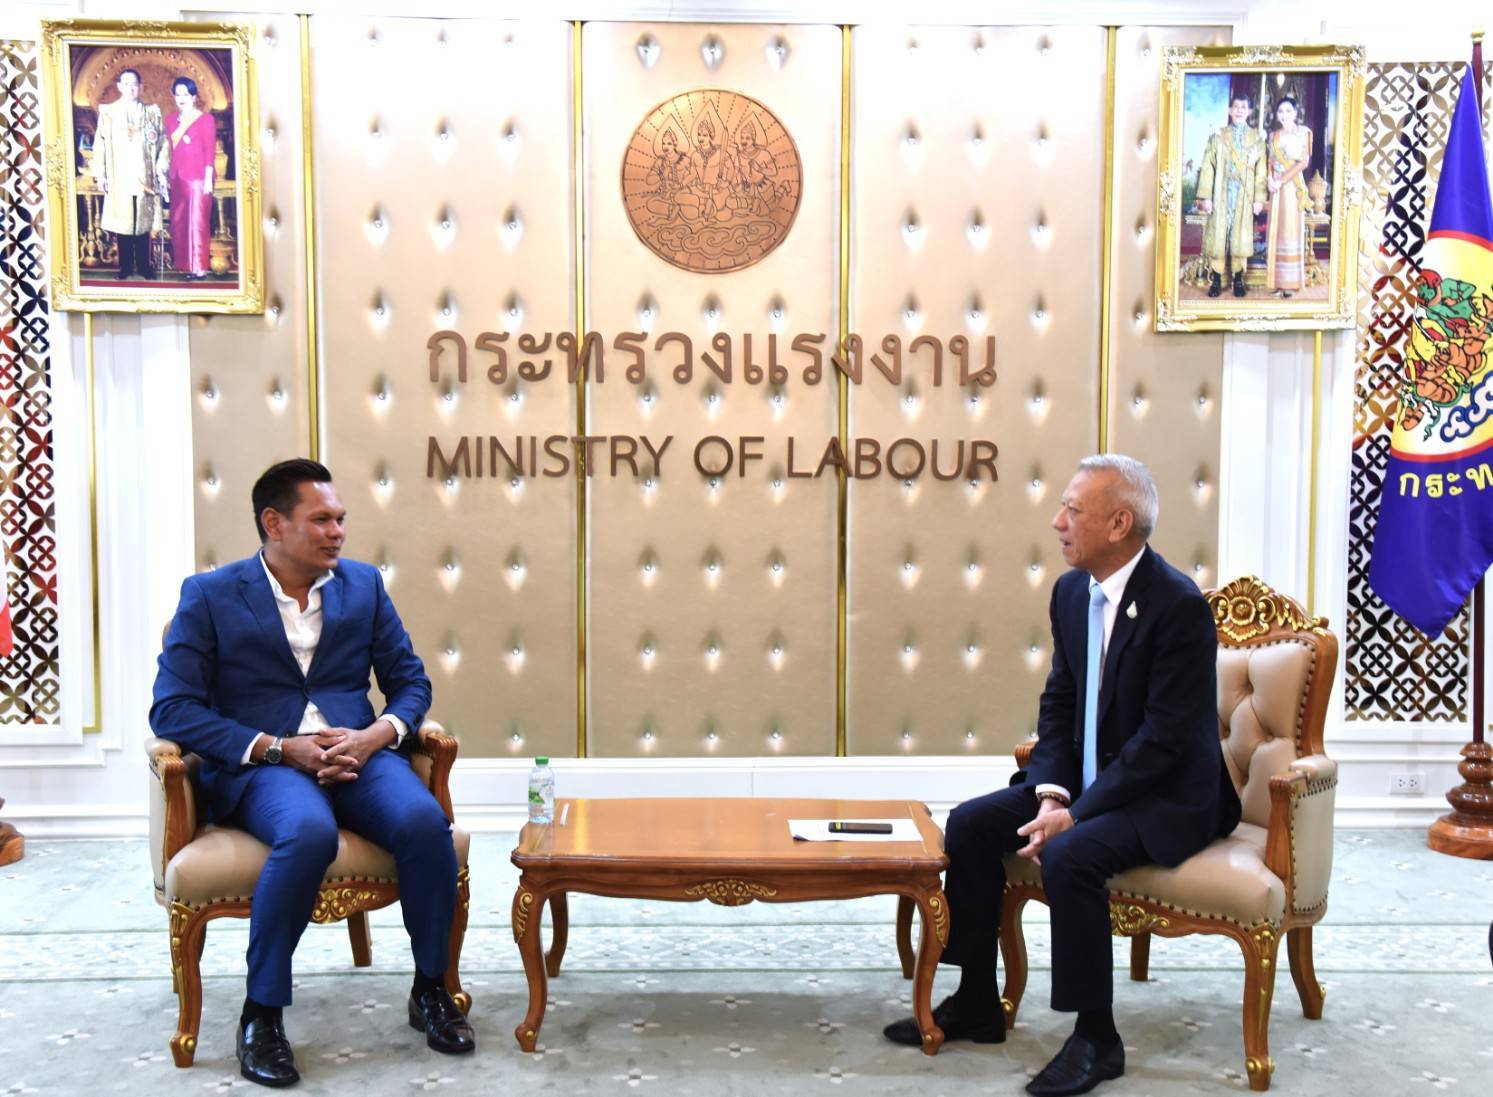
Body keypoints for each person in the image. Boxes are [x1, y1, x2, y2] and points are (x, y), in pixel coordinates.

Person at [883, 454, 1241, 1097]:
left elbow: (1161, 742)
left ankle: (1097, 1038)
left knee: (1070, 854)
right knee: (970, 825)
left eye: (1073, 510)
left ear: (1119, 524)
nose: (1057, 522)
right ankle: (977, 999)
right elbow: (1060, 702)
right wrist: (1050, 793)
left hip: (1165, 796)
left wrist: (1075, 814)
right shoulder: (1072, 593)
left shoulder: (1178, 605)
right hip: (1084, 782)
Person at [150, 459, 474, 1088]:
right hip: (265, 765)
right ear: (274, 523)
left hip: (357, 753)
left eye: (340, 519)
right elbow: (173, 709)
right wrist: (277, 748)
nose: (337, 532)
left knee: (423, 822)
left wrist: (376, 735)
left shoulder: (364, 586)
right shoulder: (210, 595)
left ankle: (431, 989)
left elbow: (410, 682)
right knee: (307, 833)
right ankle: (262, 1015)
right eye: (321, 519)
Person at [92, 68, 169, 281]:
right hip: (119, 177)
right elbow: (100, 145)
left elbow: (163, 143)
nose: (131, 88)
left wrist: (161, 170)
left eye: (134, 84)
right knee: (124, 223)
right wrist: (101, 175)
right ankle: (125, 267)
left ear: (141, 87)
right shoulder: (109, 113)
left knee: (143, 224)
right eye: (126, 84)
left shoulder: (151, 113)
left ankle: (144, 266)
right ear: (119, 87)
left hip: (145, 177)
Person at [1195, 93, 1266, 298]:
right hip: (1221, 192)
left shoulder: (1257, 139)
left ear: (1249, 111)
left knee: (1240, 236)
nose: (1239, 110)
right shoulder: (1218, 137)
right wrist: (1206, 196)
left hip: (1244, 194)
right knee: (1219, 235)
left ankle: (1238, 279)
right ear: (1229, 110)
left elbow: (1261, 172)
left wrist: (1259, 199)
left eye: (1244, 107)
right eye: (1236, 106)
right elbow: (1208, 167)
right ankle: (1216, 280)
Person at [164, 76, 216, 280]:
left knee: (198, 223)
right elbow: (167, 151)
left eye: (186, 94)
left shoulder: (205, 120)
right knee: (180, 223)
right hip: (177, 177)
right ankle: (188, 265)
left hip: (198, 179)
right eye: (178, 94)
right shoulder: (170, 120)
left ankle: (200, 268)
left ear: (194, 97)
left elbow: (210, 150)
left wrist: (208, 179)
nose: (182, 98)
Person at [1265, 97, 1314, 297]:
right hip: (1276, 188)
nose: (1284, 115)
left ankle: (1290, 283)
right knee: (1276, 231)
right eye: (1280, 111)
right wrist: (1270, 179)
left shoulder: (1304, 133)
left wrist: (1281, 181)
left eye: (1288, 111)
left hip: (1292, 186)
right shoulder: (1273, 135)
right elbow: (1269, 161)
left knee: (1289, 231)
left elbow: (1303, 163)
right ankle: (1277, 282)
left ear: (1295, 112)